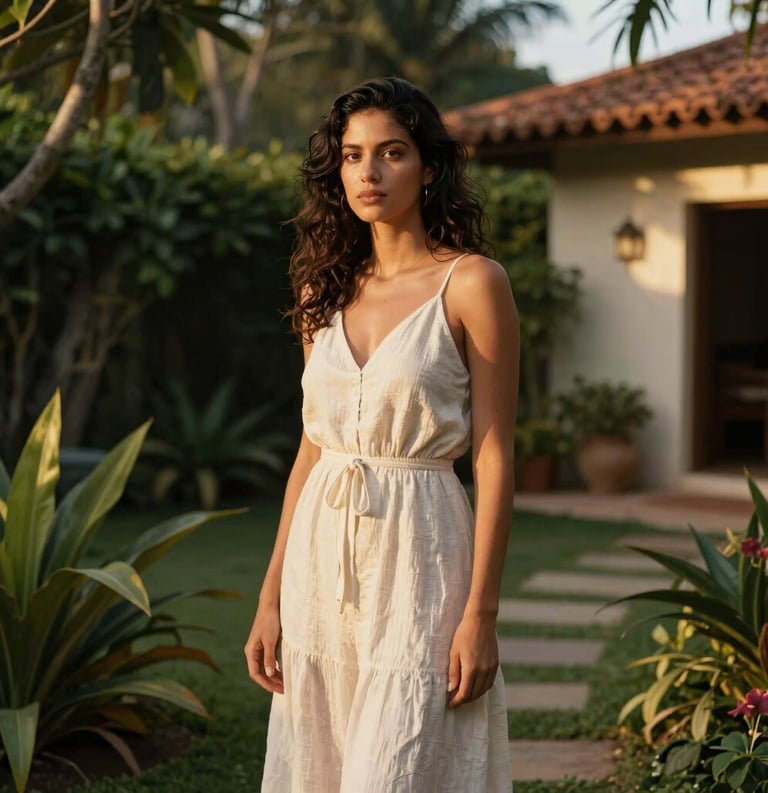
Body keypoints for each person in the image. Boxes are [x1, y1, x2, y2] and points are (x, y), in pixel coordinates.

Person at [245, 76, 520, 793]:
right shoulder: (321, 291)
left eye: (391, 152)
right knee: (322, 766)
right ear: (336, 172)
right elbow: (312, 446)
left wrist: (481, 614)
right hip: (318, 563)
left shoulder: (472, 284)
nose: (369, 172)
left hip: (423, 555)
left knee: (398, 766)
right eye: (353, 155)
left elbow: (493, 455)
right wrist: (271, 595)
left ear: (428, 167)